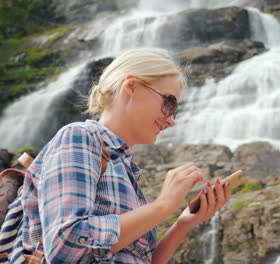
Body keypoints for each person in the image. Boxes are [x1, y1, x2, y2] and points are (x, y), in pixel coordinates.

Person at [20, 50, 231, 263]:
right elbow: (64, 247)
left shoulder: (124, 168)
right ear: (131, 87)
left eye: (175, 111)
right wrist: (162, 206)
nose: (171, 121)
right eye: (169, 104)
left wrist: (182, 224)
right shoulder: (80, 136)